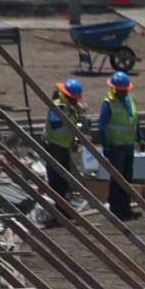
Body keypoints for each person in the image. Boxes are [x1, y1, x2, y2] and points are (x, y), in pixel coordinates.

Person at [97, 71, 143, 220]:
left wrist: (140, 138)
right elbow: (102, 126)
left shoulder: (129, 100)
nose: (124, 92)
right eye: (122, 90)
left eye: (126, 90)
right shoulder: (108, 103)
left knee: (127, 178)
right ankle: (117, 209)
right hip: (116, 146)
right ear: (115, 89)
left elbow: (134, 120)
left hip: (128, 145)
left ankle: (125, 208)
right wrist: (106, 146)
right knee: (118, 179)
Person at [42, 78, 83, 213]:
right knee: (57, 180)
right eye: (73, 99)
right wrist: (70, 112)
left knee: (64, 179)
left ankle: (62, 209)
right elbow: (55, 123)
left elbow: (71, 127)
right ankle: (58, 211)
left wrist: (74, 141)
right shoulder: (58, 106)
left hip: (63, 147)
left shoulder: (68, 107)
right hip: (53, 146)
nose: (75, 102)